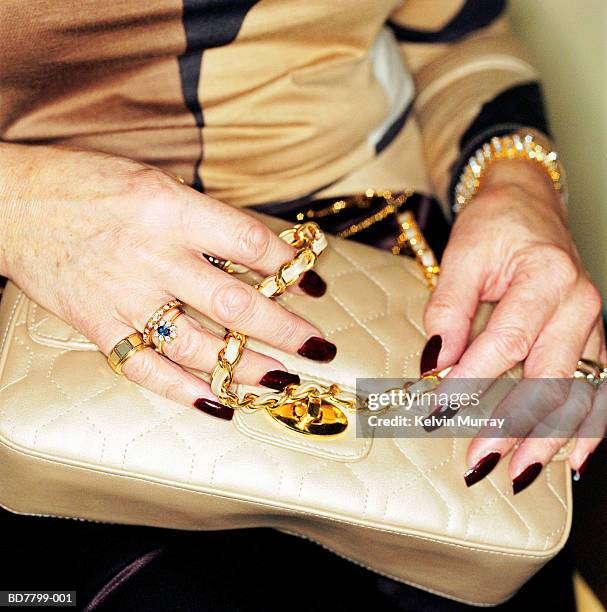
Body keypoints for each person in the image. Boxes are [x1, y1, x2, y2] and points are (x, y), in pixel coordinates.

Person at [0, 0, 603, 608]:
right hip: (55, 263)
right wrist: (19, 205)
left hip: (389, 259)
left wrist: (518, 184)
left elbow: (458, 37)